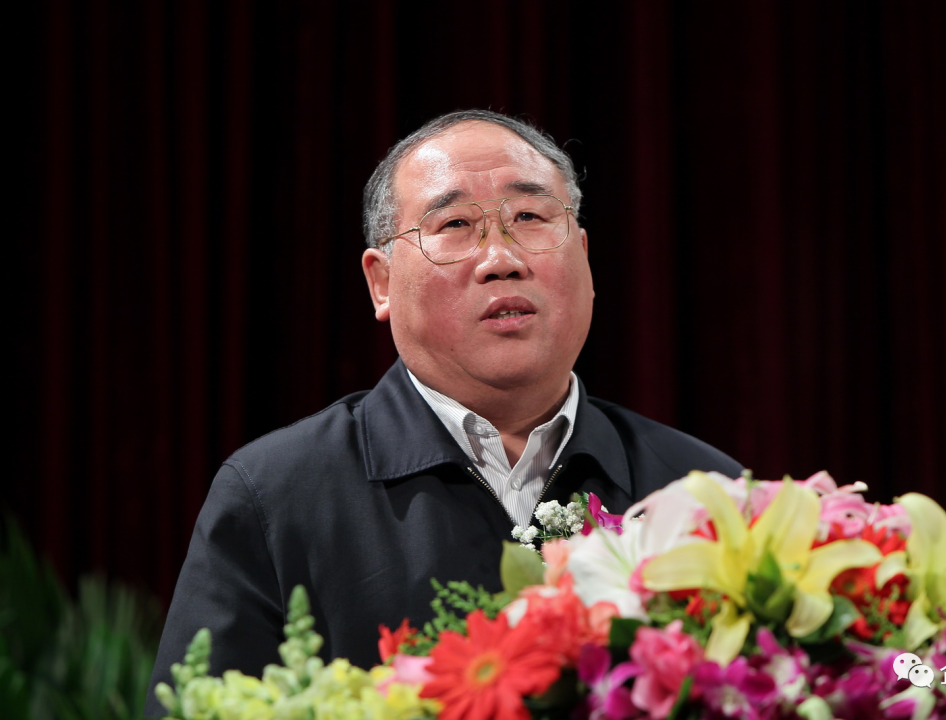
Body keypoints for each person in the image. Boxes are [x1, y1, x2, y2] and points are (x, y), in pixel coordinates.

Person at [146, 109, 741, 714]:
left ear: (585, 259)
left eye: (530, 217)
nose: (501, 259)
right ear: (381, 282)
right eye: (455, 224)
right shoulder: (276, 496)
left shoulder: (704, 492)